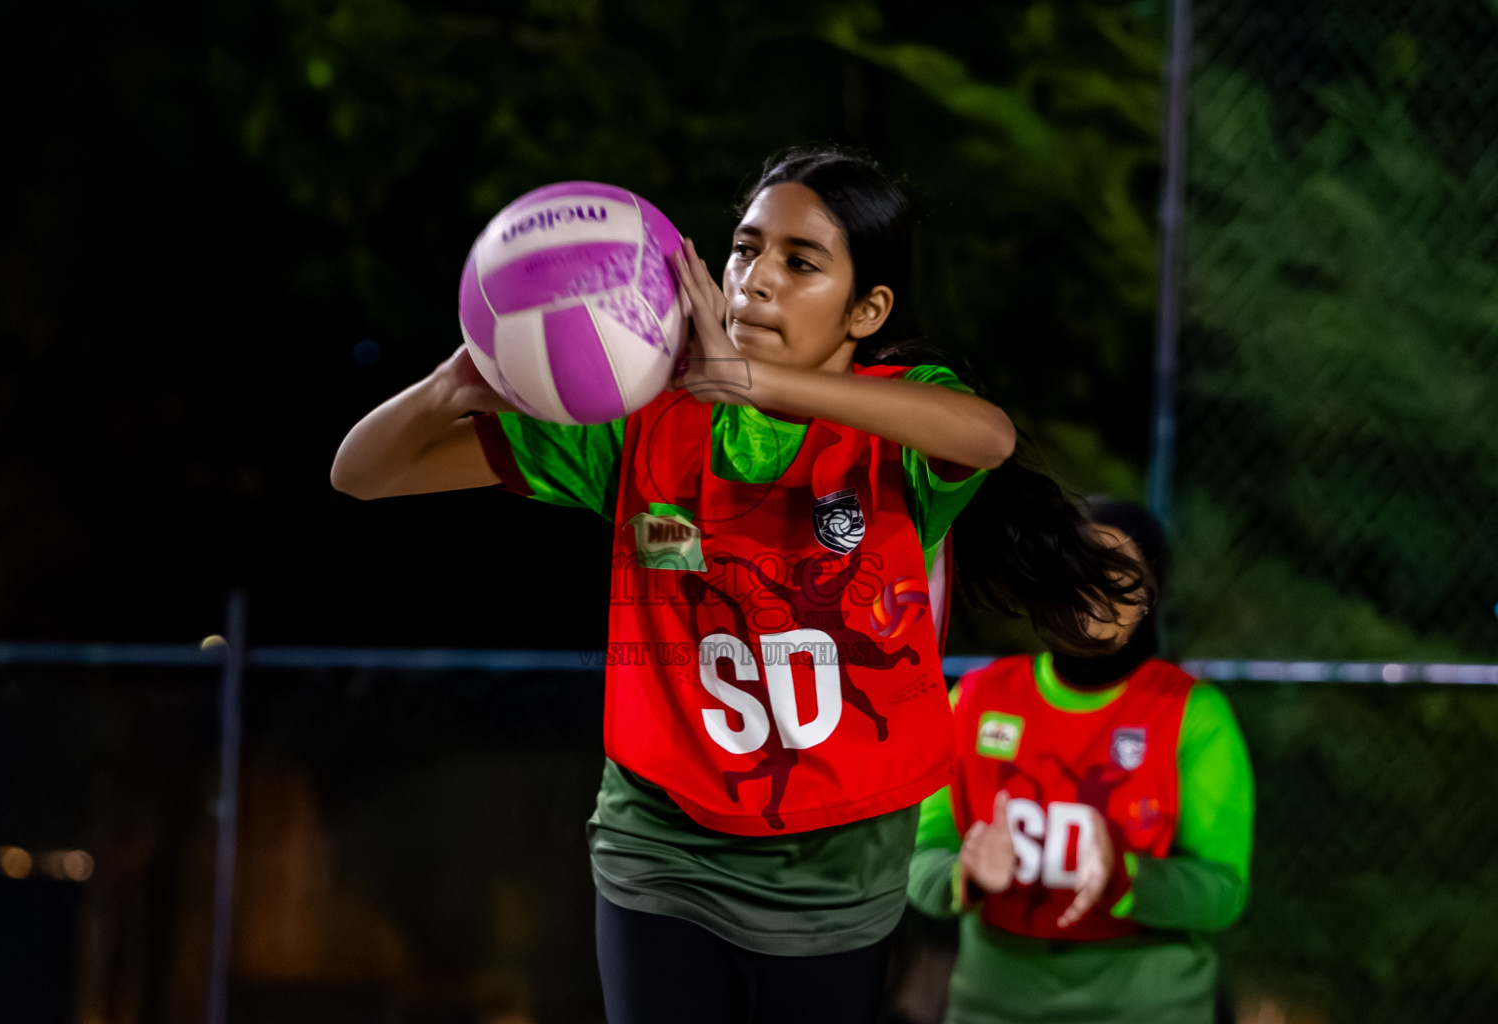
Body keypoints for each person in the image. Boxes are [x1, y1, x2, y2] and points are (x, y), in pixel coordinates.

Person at [332, 144, 1145, 1024]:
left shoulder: (896, 422)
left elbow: (987, 437)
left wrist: (752, 382)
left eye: (800, 263)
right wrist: (452, 380)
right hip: (662, 845)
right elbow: (362, 473)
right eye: (746, 249)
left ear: (866, 310)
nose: (757, 279)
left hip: (833, 867)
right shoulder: (640, 422)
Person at [908, 498, 1255, 1024]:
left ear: (1151, 594)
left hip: (1148, 1008)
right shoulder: (977, 701)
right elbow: (918, 862)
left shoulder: (1192, 715)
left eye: (1114, 572)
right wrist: (966, 875)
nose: (1087, 587)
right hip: (996, 1004)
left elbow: (1222, 893)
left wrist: (1127, 878)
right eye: (1068, 566)